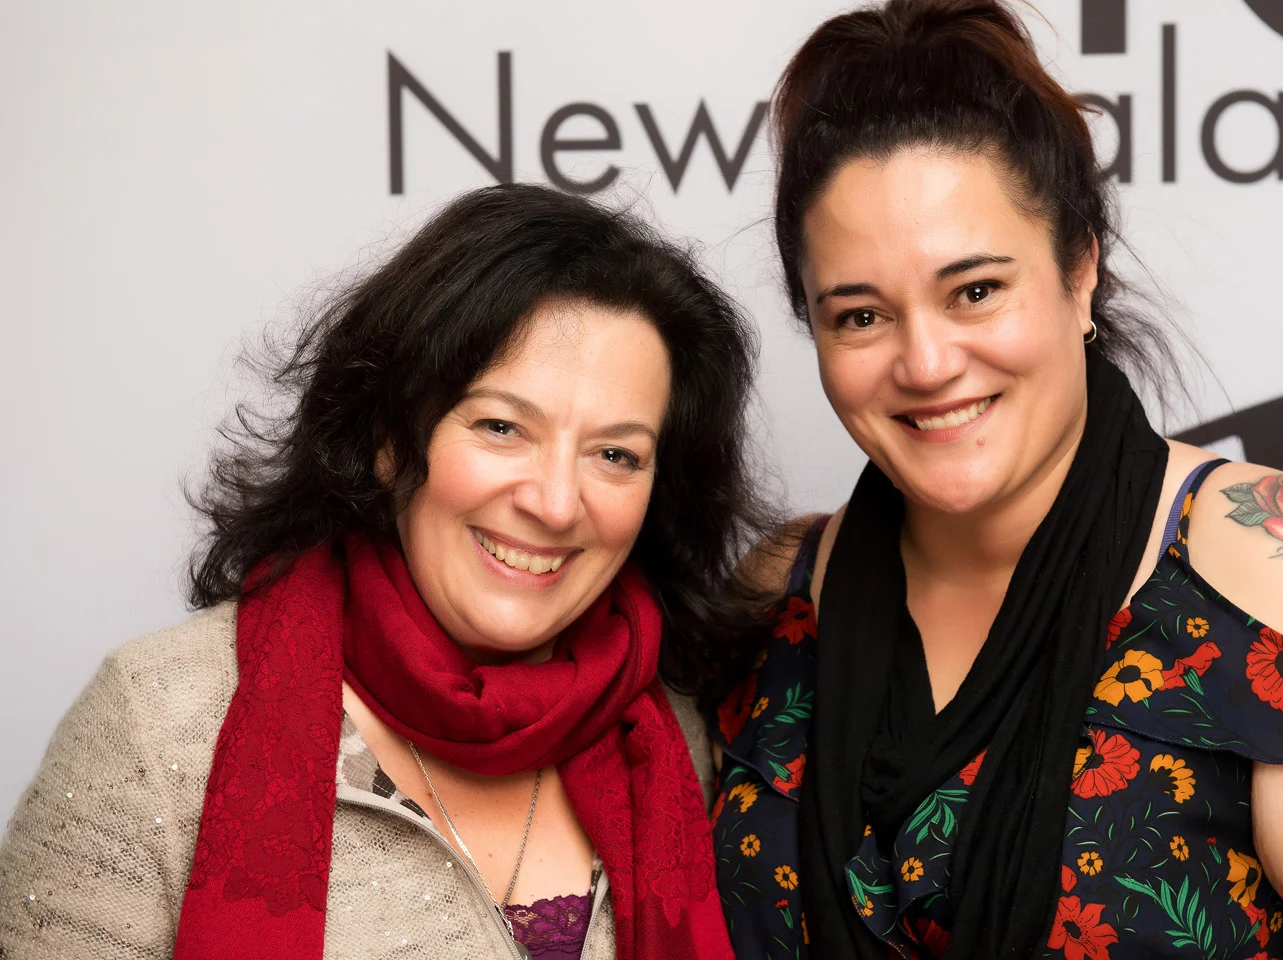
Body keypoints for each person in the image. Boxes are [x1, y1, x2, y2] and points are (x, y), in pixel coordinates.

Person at [709, 2, 1283, 958]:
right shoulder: (781, 593)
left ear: (1081, 267)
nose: (926, 364)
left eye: (976, 291)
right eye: (860, 316)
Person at [0, 184, 762, 960]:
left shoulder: (680, 734)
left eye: (616, 454)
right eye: (502, 427)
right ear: (389, 439)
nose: (557, 504)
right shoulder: (157, 721)